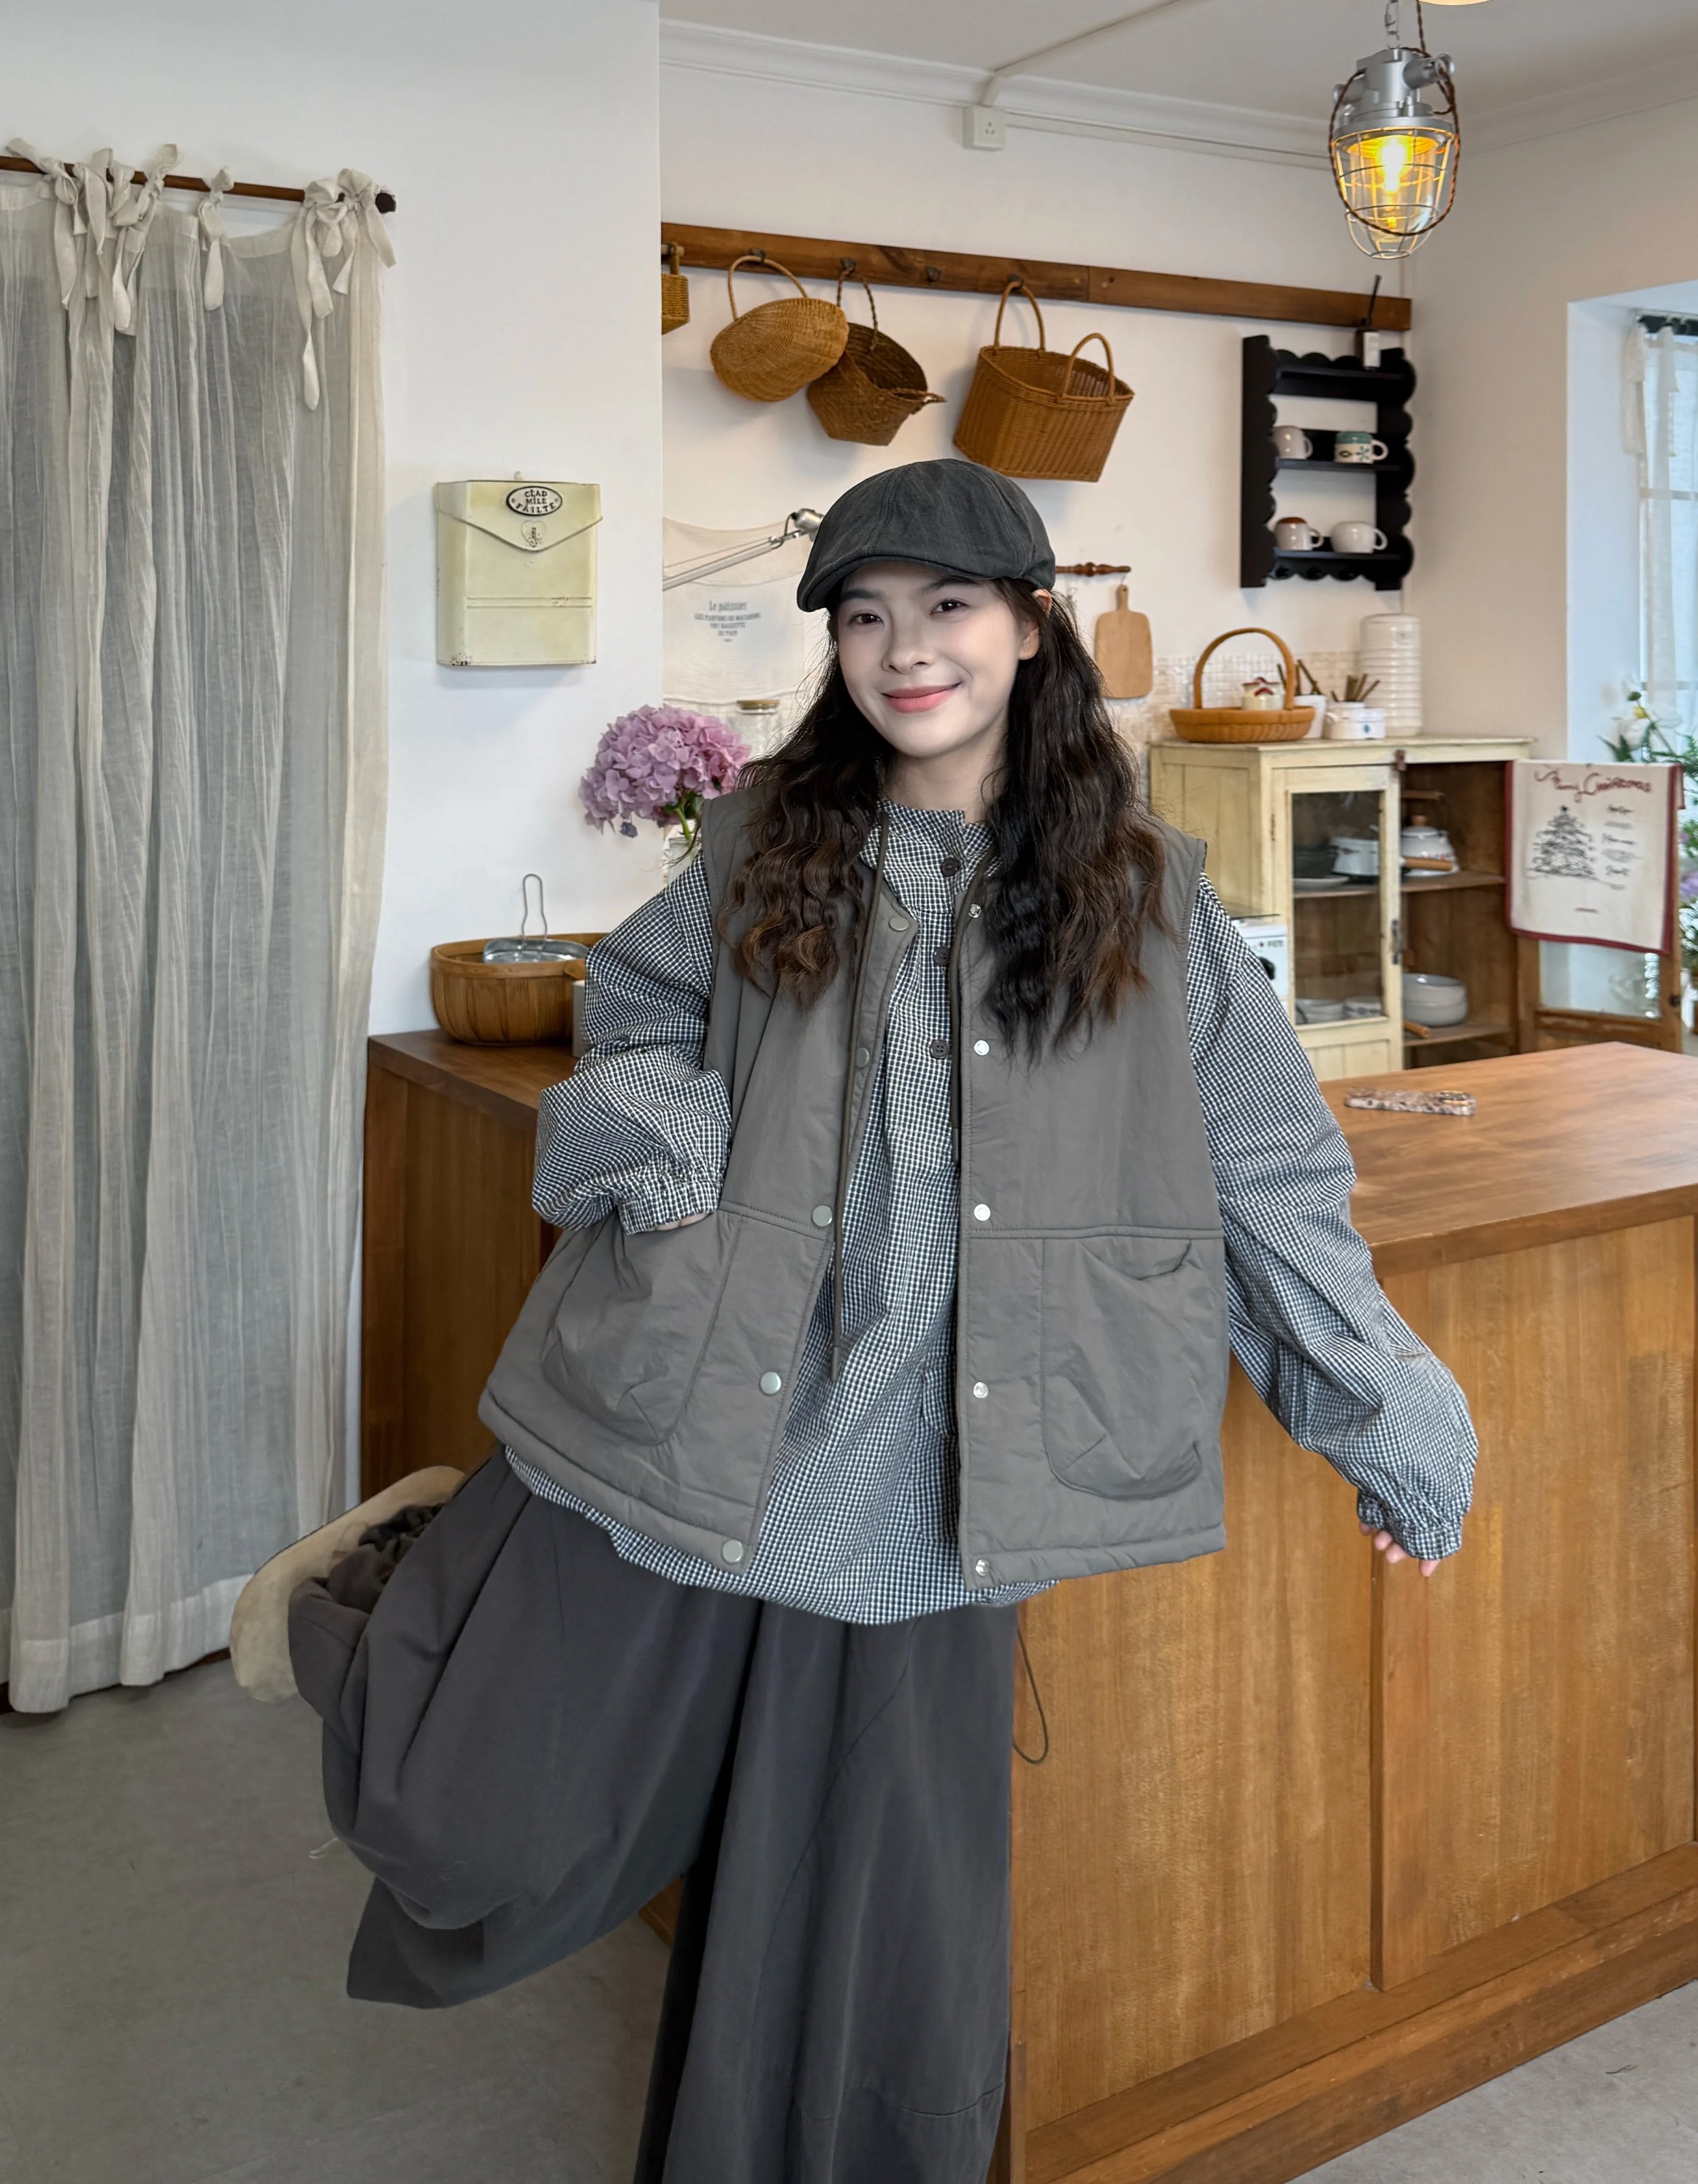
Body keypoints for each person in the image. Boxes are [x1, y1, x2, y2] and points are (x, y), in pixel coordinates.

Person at [267, 459, 1475, 2184]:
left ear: (1030, 628)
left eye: (946, 606)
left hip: (944, 1476)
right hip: (703, 1395)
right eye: (861, 615)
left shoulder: (1144, 896)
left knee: (869, 1952)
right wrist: (667, 1138)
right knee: (476, 1817)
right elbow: (629, 1013)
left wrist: (1389, 1413)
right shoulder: (765, 840)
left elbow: (1269, 1170)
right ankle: (389, 1586)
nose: (904, 648)